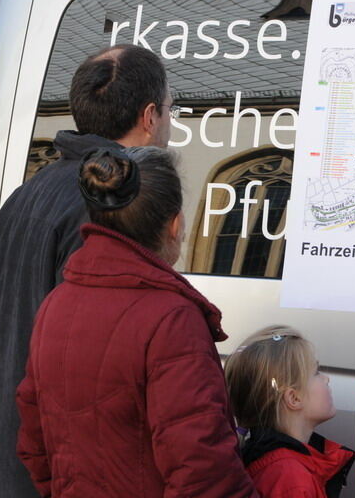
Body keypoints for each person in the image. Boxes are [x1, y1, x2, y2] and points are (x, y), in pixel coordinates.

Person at [0, 44, 174, 498]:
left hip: (23, 453)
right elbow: (95, 354)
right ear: (149, 116)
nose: (170, 120)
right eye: (170, 109)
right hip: (71, 465)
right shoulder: (115, 204)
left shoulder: (25, 193)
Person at [16, 146, 259, 497]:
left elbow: (33, 438)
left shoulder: (57, 302)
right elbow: (202, 467)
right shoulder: (172, 318)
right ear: (175, 225)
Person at [224, 325, 355, 498]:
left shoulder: (283, 467)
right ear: (294, 398)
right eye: (316, 373)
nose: (326, 378)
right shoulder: (291, 481)